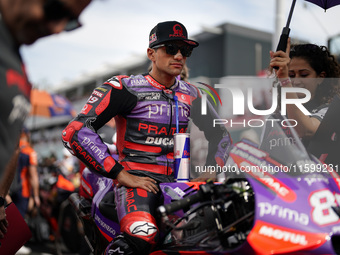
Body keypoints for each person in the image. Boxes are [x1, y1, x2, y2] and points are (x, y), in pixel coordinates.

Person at [62, 21, 231, 255]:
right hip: (138, 183)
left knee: (224, 228)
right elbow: (75, 131)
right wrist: (121, 174)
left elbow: (220, 135)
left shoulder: (192, 93)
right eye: (171, 48)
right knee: (142, 234)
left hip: (179, 183)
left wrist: (213, 169)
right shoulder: (126, 87)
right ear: (151, 53)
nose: (180, 55)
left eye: (186, 51)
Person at [0, 0, 92, 239]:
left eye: (71, 22)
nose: (58, 28)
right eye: (55, 10)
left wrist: (1, 196)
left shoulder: (16, 60)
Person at [269, 38, 340, 145]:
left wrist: (285, 80)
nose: (296, 81)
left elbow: (304, 130)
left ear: (321, 78)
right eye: (291, 75)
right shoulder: (277, 116)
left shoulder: (330, 110)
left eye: (304, 75)